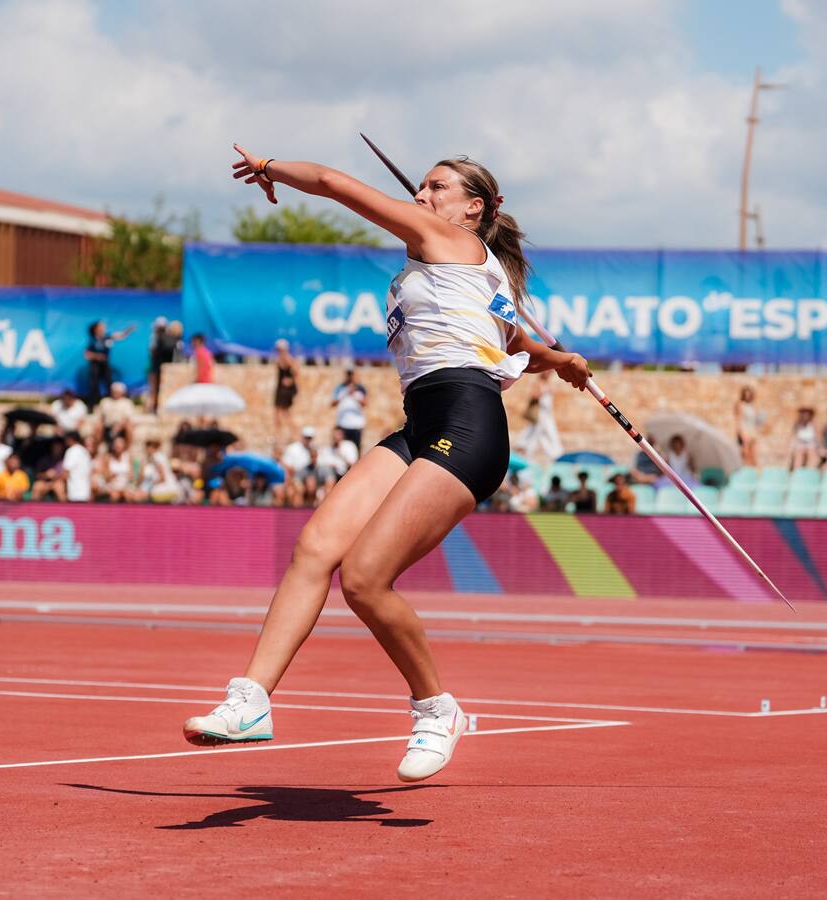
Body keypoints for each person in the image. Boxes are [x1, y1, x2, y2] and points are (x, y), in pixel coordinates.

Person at [181, 145, 590, 783]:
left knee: (366, 577)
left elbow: (333, 184)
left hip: (469, 421)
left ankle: (437, 709)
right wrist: (558, 359)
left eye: (437, 188)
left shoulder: (440, 238)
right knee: (316, 546)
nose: (423, 197)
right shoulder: (475, 274)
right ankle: (251, 699)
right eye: (421, 187)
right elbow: (510, 343)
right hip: (421, 422)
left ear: (471, 209)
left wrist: (270, 171)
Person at [85, 320, 135, 406]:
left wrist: (129, 330)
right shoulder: (92, 340)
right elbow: (87, 354)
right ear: (96, 329)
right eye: (101, 327)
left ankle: (112, 403)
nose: (103, 328)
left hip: (105, 365)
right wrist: (98, 356)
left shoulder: (107, 337)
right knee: (94, 385)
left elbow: (121, 335)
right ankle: (94, 404)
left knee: (109, 384)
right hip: (95, 366)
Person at [515, 372, 563, 462]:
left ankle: (556, 454)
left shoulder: (548, 383)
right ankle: (524, 450)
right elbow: (533, 395)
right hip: (540, 414)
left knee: (547, 434)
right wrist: (544, 391)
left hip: (547, 415)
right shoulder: (538, 383)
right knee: (535, 433)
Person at [332, 368, 368, 449]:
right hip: (343, 424)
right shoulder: (340, 388)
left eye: (351, 374)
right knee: (343, 448)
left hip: (356, 425)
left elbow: (365, 403)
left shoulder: (360, 389)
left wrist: (354, 394)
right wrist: (345, 393)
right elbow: (333, 403)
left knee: (356, 448)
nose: (350, 377)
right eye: (348, 374)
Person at [272, 338, 298, 449]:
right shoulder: (280, 359)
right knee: (277, 414)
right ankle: (278, 436)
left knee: (286, 414)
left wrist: (290, 381)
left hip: (286, 391)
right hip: (280, 389)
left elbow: (296, 373)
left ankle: (294, 435)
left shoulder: (288, 359)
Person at [95, 382, 135, 447]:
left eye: (117, 391)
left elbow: (128, 418)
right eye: (114, 391)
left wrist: (119, 426)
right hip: (107, 426)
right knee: (98, 426)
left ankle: (128, 448)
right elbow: (100, 417)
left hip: (121, 428)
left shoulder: (127, 403)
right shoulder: (105, 401)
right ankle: (98, 446)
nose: (115, 393)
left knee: (129, 427)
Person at [62, 431, 93, 503]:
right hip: (85, 492)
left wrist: (64, 491)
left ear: (70, 439)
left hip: (74, 492)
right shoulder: (85, 451)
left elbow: (66, 472)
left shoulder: (71, 451)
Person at [734, 386, 760, 467]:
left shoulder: (753, 406)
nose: (747, 396)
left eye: (749, 394)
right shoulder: (741, 405)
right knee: (745, 453)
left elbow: (755, 419)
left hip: (753, 430)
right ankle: (746, 470)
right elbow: (739, 420)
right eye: (746, 394)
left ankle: (752, 471)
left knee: (753, 454)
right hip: (745, 430)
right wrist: (741, 433)